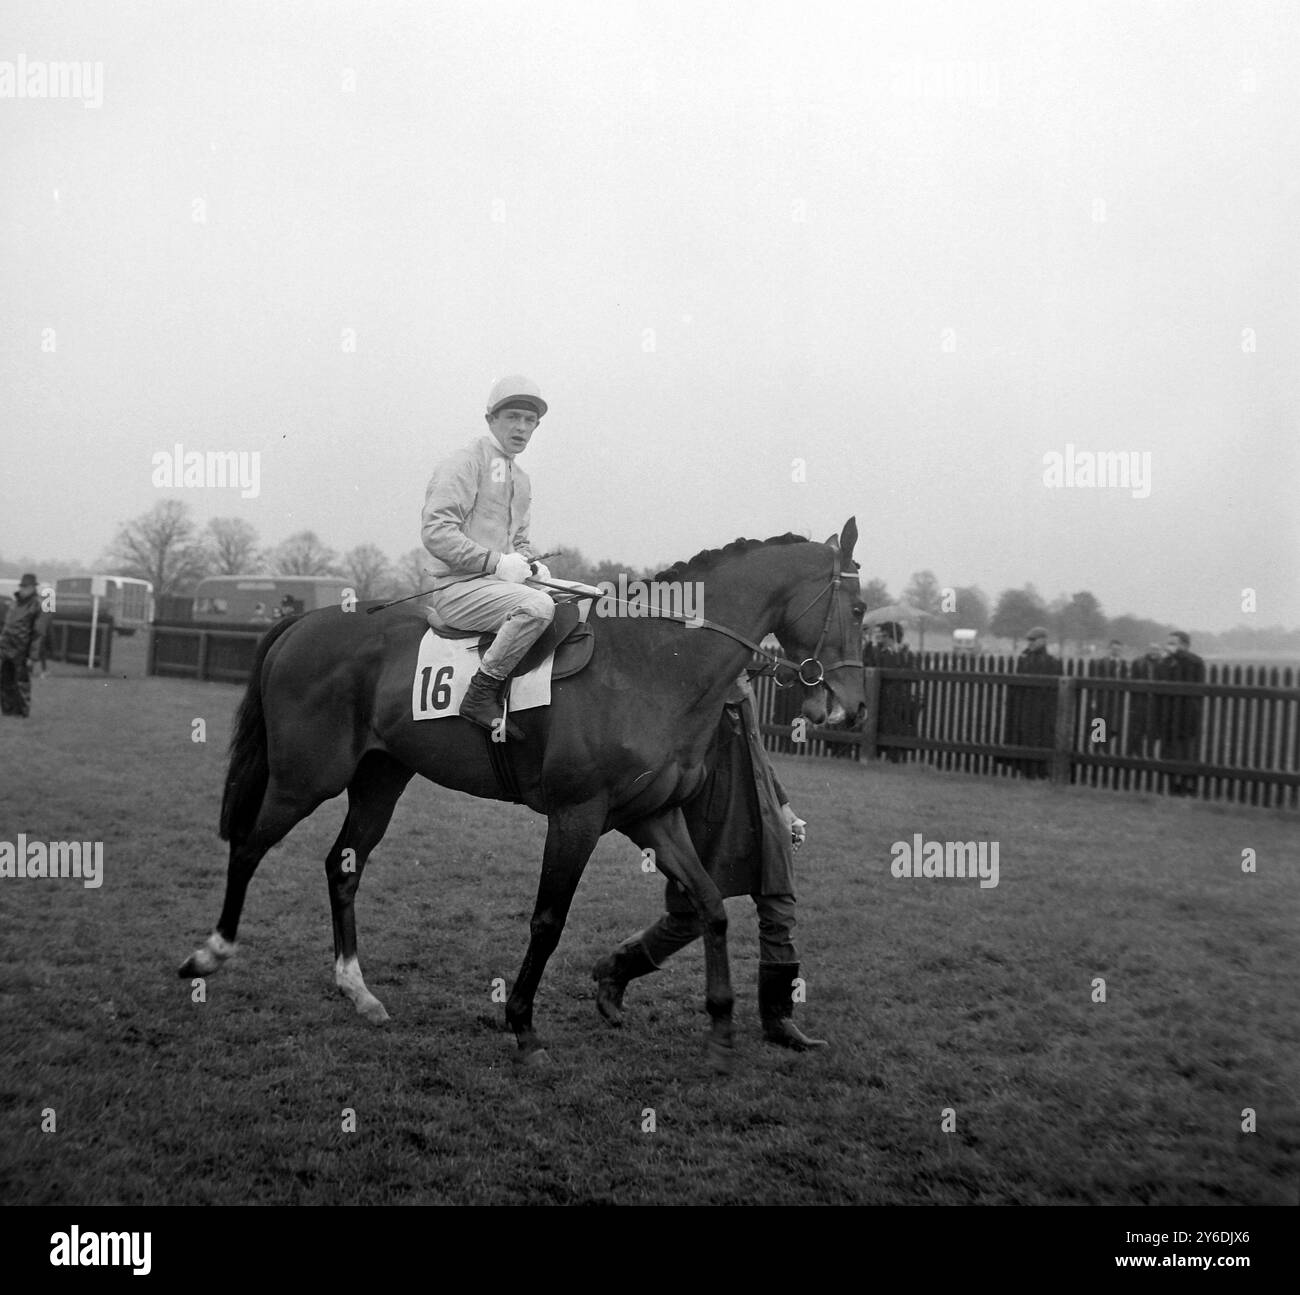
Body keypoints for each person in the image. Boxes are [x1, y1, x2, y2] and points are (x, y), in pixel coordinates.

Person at [592, 673, 826, 1051]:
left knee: (780, 911)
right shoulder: (695, 678)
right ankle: (617, 968)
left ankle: (779, 1019)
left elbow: (757, 753)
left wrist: (784, 809)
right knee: (689, 919)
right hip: (712, 815)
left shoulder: (743, 680)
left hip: (762, 812)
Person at [421, 376, 554, 740]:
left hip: (498, 587)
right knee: (538, 608)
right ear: (490, 419)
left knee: (580, 595)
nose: (521, 428)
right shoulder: (464, 462)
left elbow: (520, 541)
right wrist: (494, 563)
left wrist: (529, 562)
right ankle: (481, 693)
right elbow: (436, 531)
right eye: (513, 416)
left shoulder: (521, 478)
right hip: (458, 589)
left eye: (530, 421)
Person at [1002, 626, 1061, 778]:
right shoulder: (1024, 659)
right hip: (1024, 705)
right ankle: (1025, 769)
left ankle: (1041, 770)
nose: (1030, 643)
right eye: (1029, 640)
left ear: (1043, 640)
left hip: (1043, 708)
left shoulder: (1052, 662)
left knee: (1042, 737)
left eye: (1033, 640)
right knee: (1024, 735)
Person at [1157, 630, 1205, 797]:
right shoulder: (1166, 662)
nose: (1169, 646)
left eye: (1173, 643)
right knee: (1169, 751)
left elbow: (1194, 669)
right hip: (1169, 714)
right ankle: (1172, 785)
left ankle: (1188, 785)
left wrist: (1179, 654)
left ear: (1184, 645)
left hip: (1187, 714)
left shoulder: (1194, 661)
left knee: (1187, 751)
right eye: (1168, 643)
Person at [0, 574, 49, 718]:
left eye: (26, 586)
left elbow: (39, 633)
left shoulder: (38, 605)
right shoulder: (14, 604)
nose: (22, 589)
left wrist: (33, 656)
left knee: (21, 682)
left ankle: (22, 712)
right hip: (6, 648)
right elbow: (7, 626)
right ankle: (8, 711)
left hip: (22, 650)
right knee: (5, 680)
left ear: (33, 587)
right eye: (21, 586)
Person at [873, 621, 921, 763]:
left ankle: (895, 756)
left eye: (883, 635)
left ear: (891, 636)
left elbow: (912, 675)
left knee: (897, 727)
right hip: (880, 697)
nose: (880, 638)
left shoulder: (906, 654)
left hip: (899, 699)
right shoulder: (877, 653)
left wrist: (900, 656)